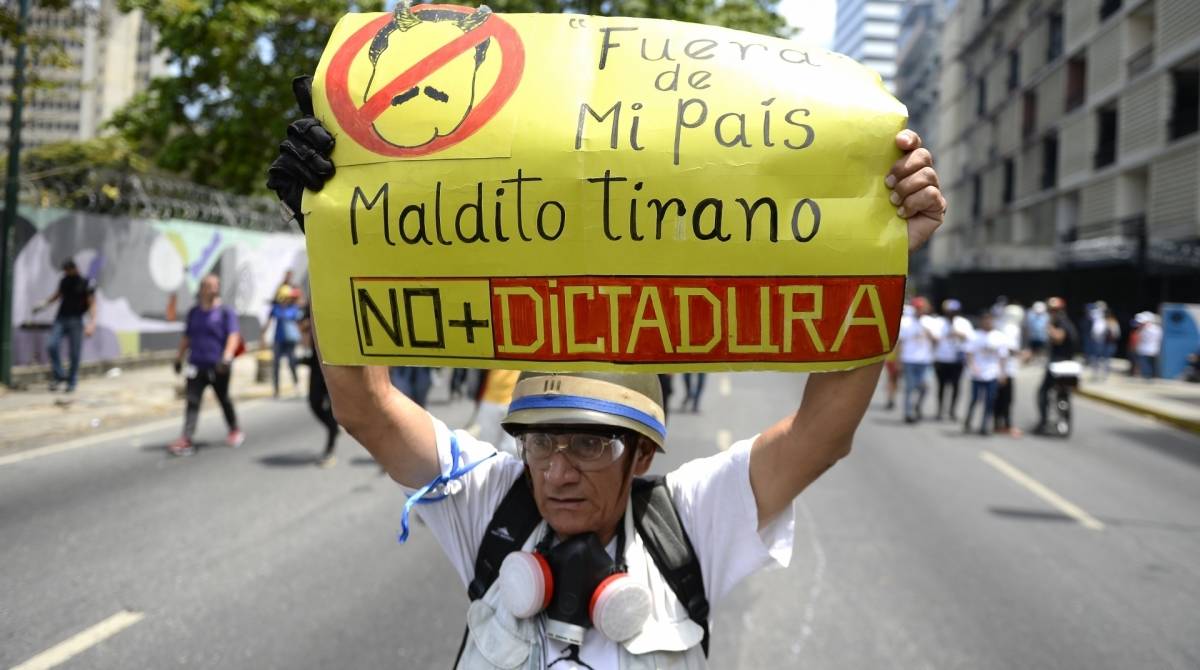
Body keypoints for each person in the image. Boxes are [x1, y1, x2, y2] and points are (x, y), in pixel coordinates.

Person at [267, 76, 945, 668]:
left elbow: (821, 434)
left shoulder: (692, 521)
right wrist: (329, 230)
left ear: (642, 452)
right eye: (540, 442)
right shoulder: (491, 502)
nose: (556, 472)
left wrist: (878, 254)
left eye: (590, 444)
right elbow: (366, 410)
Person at [170, 274, 245, 455]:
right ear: (202, 289)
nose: (214, 289)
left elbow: (233, 336)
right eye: (210, 286)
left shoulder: (225, 312)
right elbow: (187, 337)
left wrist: (226, 357)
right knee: (192, 401)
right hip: (196, 365)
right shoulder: (194, 312)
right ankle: (186, 438)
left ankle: (234, 429)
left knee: (224, 398)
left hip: (218, 365)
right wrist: (178, 358)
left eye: (216, 285)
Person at [33, 259, 97, 393]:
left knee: (75, 353)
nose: (67, 273)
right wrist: (43, 304)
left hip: (76, 320)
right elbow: (57, 295)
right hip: (61, 318)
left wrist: (92, 323)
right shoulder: (65, 281)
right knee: (51, 345)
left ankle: (71, 382)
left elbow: (91, 304)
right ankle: (60, 375)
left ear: (75, 269)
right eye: (65, 271)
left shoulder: (86, 283)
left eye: (68, 270)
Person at [299, 304, 339, 467]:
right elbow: (303, 331)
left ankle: (329, 449)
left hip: (336, 362)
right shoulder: (311, 303)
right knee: (314, 403)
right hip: (317, 363)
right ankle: (333, 428)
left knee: (332, 409)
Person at [1034, 297, 1079, 435]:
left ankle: (1043, 422)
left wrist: (1049, 328)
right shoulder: (1066, 322)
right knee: (1063, 394)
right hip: (1066, 365)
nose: (1051, 313)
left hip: (1059, 366)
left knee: (1042, 393)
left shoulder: (1060, 323)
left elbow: (1059, 338)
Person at [962, 312, 1009, 436]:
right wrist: (972, 366)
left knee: (990, 400)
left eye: (990, 320)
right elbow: (969, 353)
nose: (988, 323)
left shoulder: (999, 336)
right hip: (977, 373)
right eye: (985, 320)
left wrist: (1002, 373)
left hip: (992, 373)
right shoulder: (974, 335)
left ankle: (984, 426)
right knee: (975, 399)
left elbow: (1002, 356)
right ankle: (968, 420)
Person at [896, 297, 938, 424]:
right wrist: (898, 360)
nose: (920, 310)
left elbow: (937, 340)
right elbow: (900, 343)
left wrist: (929, 333)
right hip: (909, 359)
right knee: (909, 387)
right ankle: (908, 413)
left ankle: (917, 406)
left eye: (922, 308)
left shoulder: (930, 322)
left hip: (925, 361)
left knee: (925, 387)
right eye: (917, 308)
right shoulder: (905, 322)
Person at [931, 298, 973, 421]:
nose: (951, 313)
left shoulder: (963, 322)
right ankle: (939, 410)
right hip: (941, 358)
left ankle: (952, 411)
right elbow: (934, 337)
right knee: (941, 386)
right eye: (949, 311)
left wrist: (959, 334)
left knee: (956, 386)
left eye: (954, 311)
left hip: (956, 360)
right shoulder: (938, 322)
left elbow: (971, 338)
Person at [262, 287, 303, 398]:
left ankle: (296, 385)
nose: (287, 300)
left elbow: (297, 321)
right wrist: (263, 336)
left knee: (292, 363)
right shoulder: (276, 308)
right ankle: (276, 389)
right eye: (285, 298)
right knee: (276, 365)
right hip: (278, 340)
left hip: (290, 341)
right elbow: (269, 322)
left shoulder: (293, 309)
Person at [994, 304, 1025, 437]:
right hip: (1007, 369)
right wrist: (1021, 354)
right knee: (1007, 398)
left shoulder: (1000, 324)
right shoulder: (1011, 329)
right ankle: (1006, 424)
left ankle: (997, 423)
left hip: (1002, 368)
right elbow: (1008, 349)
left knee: (1000, 398)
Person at [1132, 312, 1162, 380]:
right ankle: (1149, 376)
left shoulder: (1146, 329)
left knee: (1145, 364)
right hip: (1153, 349)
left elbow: (1141, 338)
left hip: (1145, 349)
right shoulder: (1157, 329)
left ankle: (1147, 376)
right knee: (1149, 364)